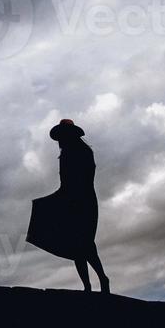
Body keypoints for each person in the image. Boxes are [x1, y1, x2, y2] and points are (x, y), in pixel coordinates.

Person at [26, 119, 110, 293]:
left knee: (85, 242)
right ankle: (87, 286)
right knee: (76, 244)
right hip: (72, 198)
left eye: (61, 137)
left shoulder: (82, 152)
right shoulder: (67, 154)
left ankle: (102, 278)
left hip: (83, 200)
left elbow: (83, 179)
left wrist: (71, 195)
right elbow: (65, 182)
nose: (59, 141)